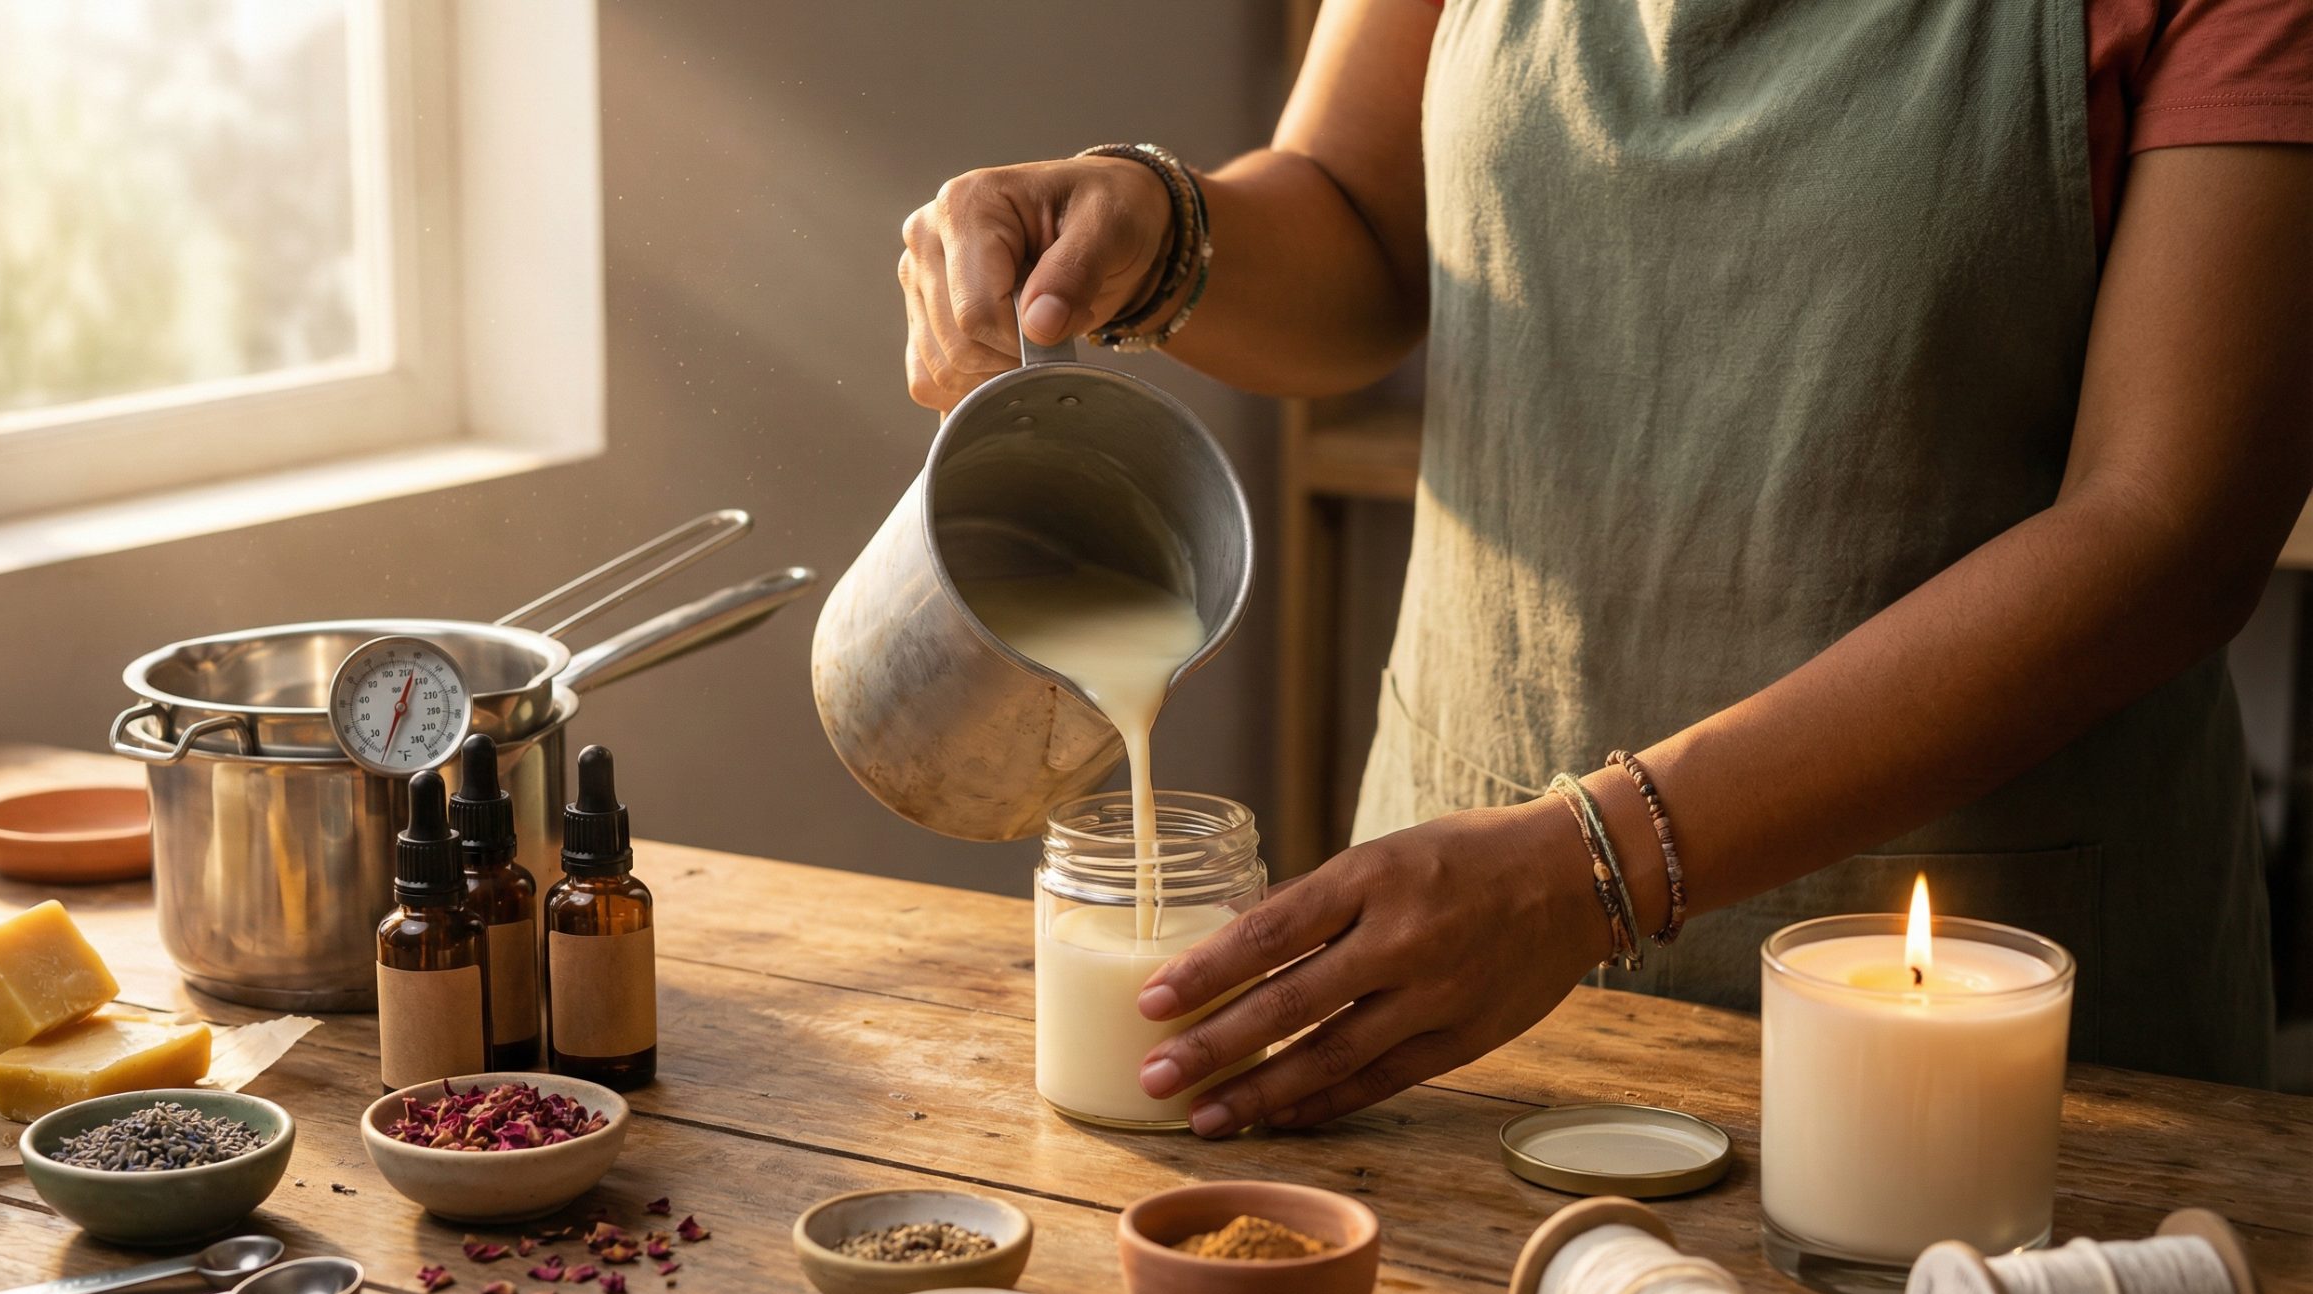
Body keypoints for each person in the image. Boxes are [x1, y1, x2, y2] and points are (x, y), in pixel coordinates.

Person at [899, 0, 2313, 1130]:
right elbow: (1365, 218)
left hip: (1987, 1047)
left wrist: (1586, 870)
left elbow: (2167, 531)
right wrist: (1153, 229)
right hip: (1448, 1007)